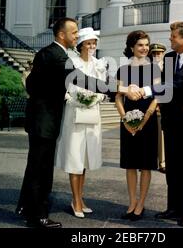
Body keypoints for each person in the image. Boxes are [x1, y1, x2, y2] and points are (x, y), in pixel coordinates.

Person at [16, 18, 115, 228]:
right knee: (42, 172)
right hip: (45, 123)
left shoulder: (46, 53)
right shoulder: (56, 55)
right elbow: (79, 78)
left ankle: (25, 206)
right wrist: (118, 89)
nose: (77, 36)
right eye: (74, 33)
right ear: (62, 35)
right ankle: (39, 217)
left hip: (39, 120)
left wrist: (43, 99)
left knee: (34, 167)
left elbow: (32, 84)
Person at [55, 27, 107, 218]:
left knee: (84, 159)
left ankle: (80, 197)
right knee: (75, 157)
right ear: (80, 45)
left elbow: (102, 87)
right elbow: (67, 88)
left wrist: (96, 98)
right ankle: (75, 199)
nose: (92, 46)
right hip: (75, 113)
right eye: (88, 43)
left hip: (92, 114)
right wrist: (79, 99)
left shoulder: (99, 64)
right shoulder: (72, 62)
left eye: (94, 43)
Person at [154, 21, 183, 227]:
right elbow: (166, 87)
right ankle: (173, 208)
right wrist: (162, 107)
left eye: (173, 37)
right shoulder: (169, 57)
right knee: (172, 166)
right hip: (170, 119)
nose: (170, 40)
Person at [115, 30, 161, 221]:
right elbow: (117, 97)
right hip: (128, 122)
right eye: (140, 45)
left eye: (146, 44)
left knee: (146, 165)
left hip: (148, 122)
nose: (144, 48)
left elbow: (158, 94)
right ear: (132, 47)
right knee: (130, 164)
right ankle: (132, 202)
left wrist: (145, 119)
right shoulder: (123, 70)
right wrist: (125, 120)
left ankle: (141, 203)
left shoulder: (155, 69)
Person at [148, 43, 167, 173]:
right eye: (154, 53)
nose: (156, 55)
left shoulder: (166, 68)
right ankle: (149, 161)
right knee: (148, 134)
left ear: (163, 53)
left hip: (160, 105)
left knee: (161, 136)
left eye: (159, 53)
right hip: (147, 104)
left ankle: (162, 162)